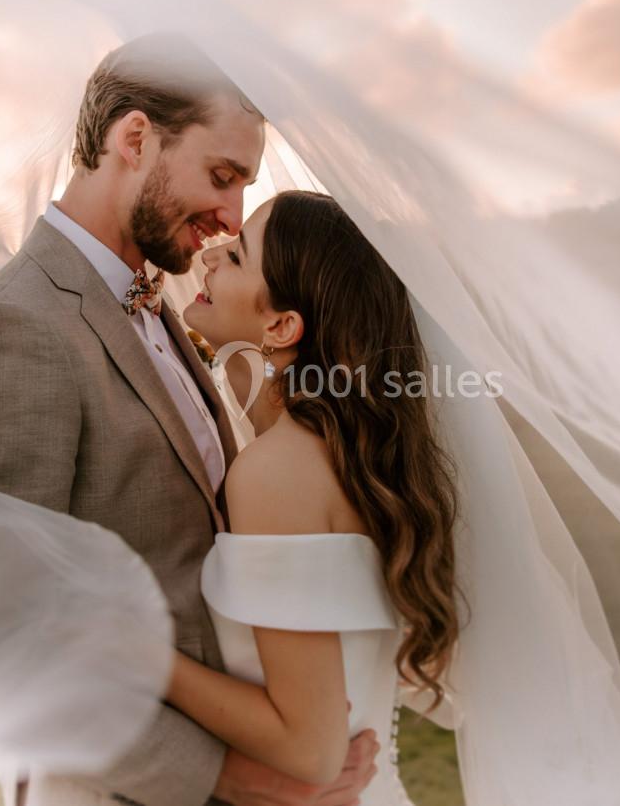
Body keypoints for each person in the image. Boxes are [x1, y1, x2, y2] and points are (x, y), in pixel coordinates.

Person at [0, 37, 377, 806]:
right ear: (135, 139)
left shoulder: (160, 307)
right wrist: (233, 777)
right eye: (222, 177)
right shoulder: (17, 327)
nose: (231, 216)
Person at [171, 190, 460, 805]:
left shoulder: (278, 472)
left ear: (281, 326)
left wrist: (139, 656)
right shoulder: (350, 458)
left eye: (237, 256)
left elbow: (310, 749)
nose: (211, 256)